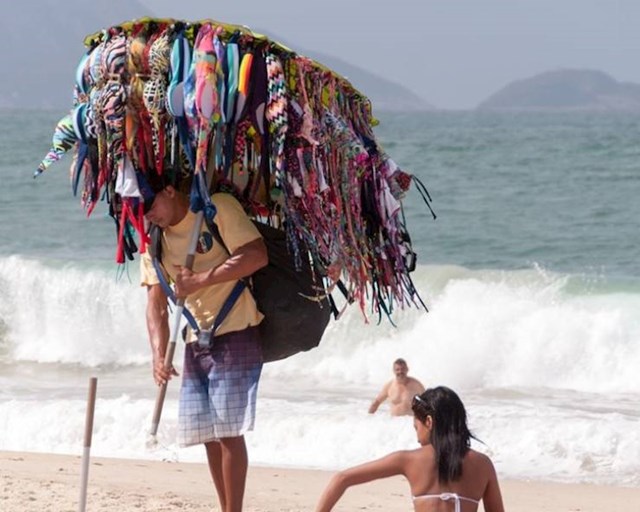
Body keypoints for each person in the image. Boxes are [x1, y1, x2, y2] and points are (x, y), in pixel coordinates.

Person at [140, 184, 268, 512]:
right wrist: (158, 355)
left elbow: (256, 255)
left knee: (228, 430)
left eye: (149, 204)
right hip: (197, 338)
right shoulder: (153, 240)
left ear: (169, 191)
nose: (148, 214)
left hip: (237, 325)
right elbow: (155, 303)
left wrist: (199, 280)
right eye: (140, 210)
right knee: (208, 434)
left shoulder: (214, 208)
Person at [317, 386, 505, 512]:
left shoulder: (409, 460)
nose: (416, 433)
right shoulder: (482, 464)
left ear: (429, 422)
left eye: (416, 424)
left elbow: (342, 478)